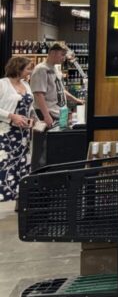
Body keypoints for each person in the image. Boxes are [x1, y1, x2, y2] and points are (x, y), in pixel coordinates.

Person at [0, 56, 35, 202]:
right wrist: (11, 116)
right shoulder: (3, 84)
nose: (30, 72)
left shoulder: (26, 85)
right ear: (18, 68)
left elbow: (30, 106)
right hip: (6, 134)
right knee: (5, 167)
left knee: (23, 167)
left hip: (24, 135)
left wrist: (32, 118)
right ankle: (5, 197)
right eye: (28, 69)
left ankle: (20, 200)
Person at [29, 42, 83, 129]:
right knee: (50, 140)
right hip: (49, 112)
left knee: (61, 138)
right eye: (62, 55)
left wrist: (76, 100)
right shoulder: (41, 69)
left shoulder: (55, 68)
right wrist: (46, 115)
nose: (64, 58)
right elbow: (39, 94)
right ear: (53, 53)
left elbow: (61, 90)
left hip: (61, 112)